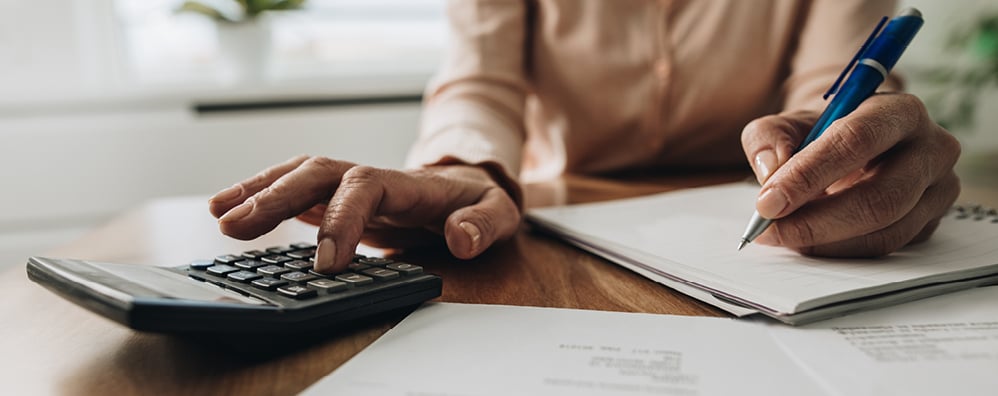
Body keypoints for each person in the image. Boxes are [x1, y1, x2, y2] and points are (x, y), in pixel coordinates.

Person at [208, 0, 961, 274]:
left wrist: (864, 144)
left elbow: (833, 84)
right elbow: (480, 81)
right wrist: (463, 165)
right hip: (561, 226)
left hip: (758, 212)